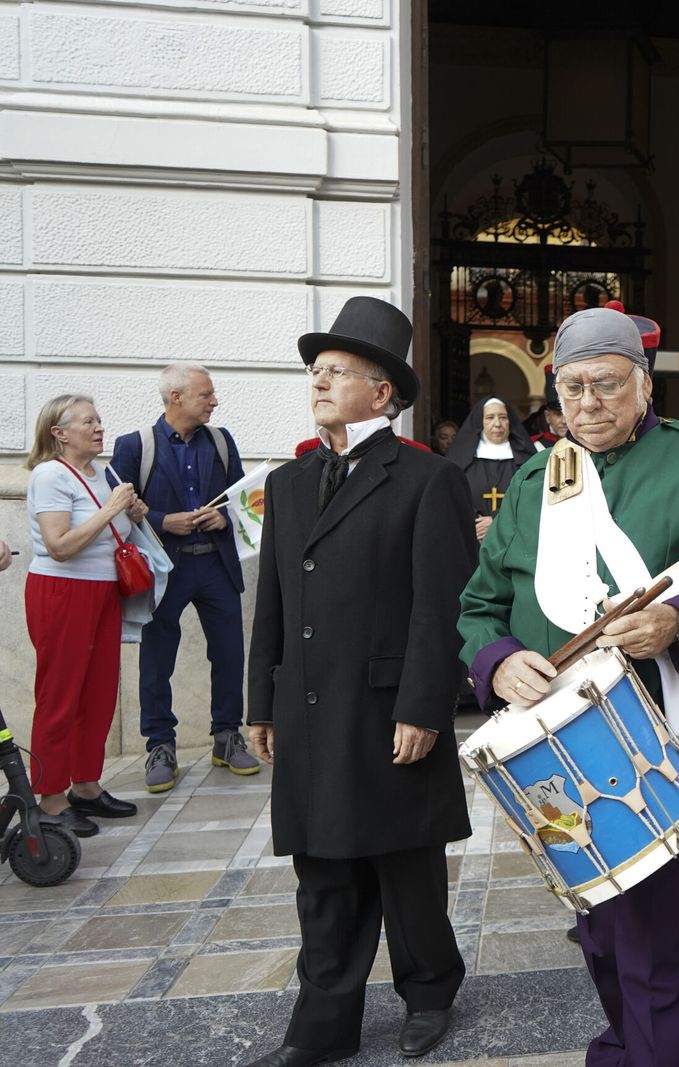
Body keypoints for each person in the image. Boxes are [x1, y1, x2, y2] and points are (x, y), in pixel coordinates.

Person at [457, 306, 679, 1067]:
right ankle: (624, 1045)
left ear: (642, 383)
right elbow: (479, 604)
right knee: (599, 926)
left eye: (605, 383)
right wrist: (498, 659)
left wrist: (677, 619)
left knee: (659, 934)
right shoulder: (536, 480)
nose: (588, 402)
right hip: (553, 747)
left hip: (655, 730)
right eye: (572, 387)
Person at [245, 297, 476, 1067]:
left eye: (338, 370)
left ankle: (430, 987)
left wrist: (425, 707)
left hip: (387, 708)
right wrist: (259, 701)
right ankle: (322, 1024)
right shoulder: (286, 482)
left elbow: (440, 607)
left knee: (405, 864)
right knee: (324, 868)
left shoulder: (427, 479)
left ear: (383, 394)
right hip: (308, 708)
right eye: (316, 370)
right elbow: (271, 602)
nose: (320, 380)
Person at [110, 364, 254, 794]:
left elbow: (242, 499)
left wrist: (222, 516)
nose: (214, 401)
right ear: (176, 398)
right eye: (206, 395)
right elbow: (115, 509)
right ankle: (160, 745)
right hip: (163, 569)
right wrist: (160, 520)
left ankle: (227, 736)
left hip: (215, 565)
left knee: (229, 653)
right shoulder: (135, 446)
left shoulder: (223, 441)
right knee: (158, 659)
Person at [24, 394, 149, 839]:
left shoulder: (104, 472)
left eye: (99, 420)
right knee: (60, 695)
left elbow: (113, 531)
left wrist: (133, 514)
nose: (99, 427)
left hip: (103, 590)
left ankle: (87, 786)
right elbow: (59, 544)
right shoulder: (50, 475)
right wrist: (112, 509)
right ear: (59, 433)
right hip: (62, 591)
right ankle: (51, 798)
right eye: (87, 422)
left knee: (98, 692)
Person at [446, 397, 537, 545]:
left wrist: (496, 522)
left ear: (510, 422)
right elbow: (451, 496)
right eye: (490, 417)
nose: (497, 424)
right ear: (480, 422)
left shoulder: (527, 461)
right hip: (471, 538)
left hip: (514, 541)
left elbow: (533, 500)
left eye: (503, 417)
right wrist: (477, 522)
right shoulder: (460, 460)